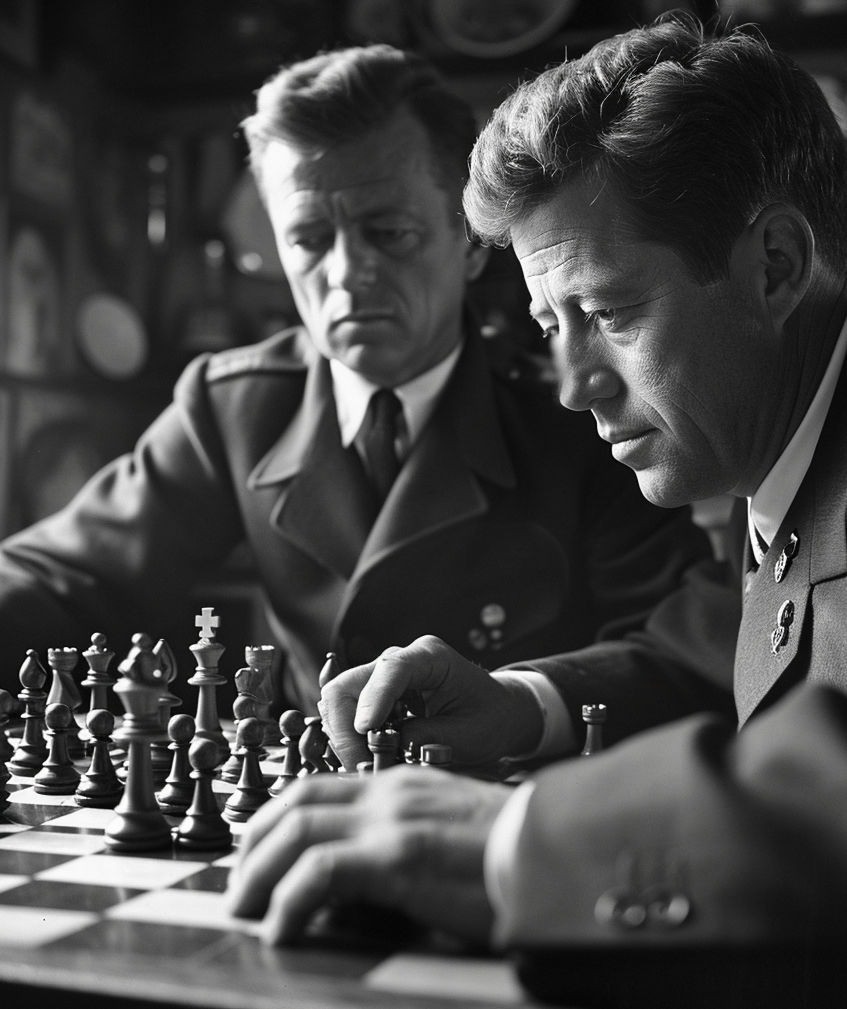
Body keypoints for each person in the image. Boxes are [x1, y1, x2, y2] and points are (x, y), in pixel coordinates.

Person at [227, 19, 847, 1006]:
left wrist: (514, 847)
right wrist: (519, 704)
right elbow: (724, 648)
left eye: (603, 314)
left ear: (773, 264)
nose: (570, 386)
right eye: (549, 326)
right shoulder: (796, 445)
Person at [0, 45, 710, 718]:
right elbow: (70, 577)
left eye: (388, 232)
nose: (345, 274)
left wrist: (526, 704)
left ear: (467, 242)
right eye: (309, 240)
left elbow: (678, 649)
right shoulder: (233, 406)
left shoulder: (583, 409)